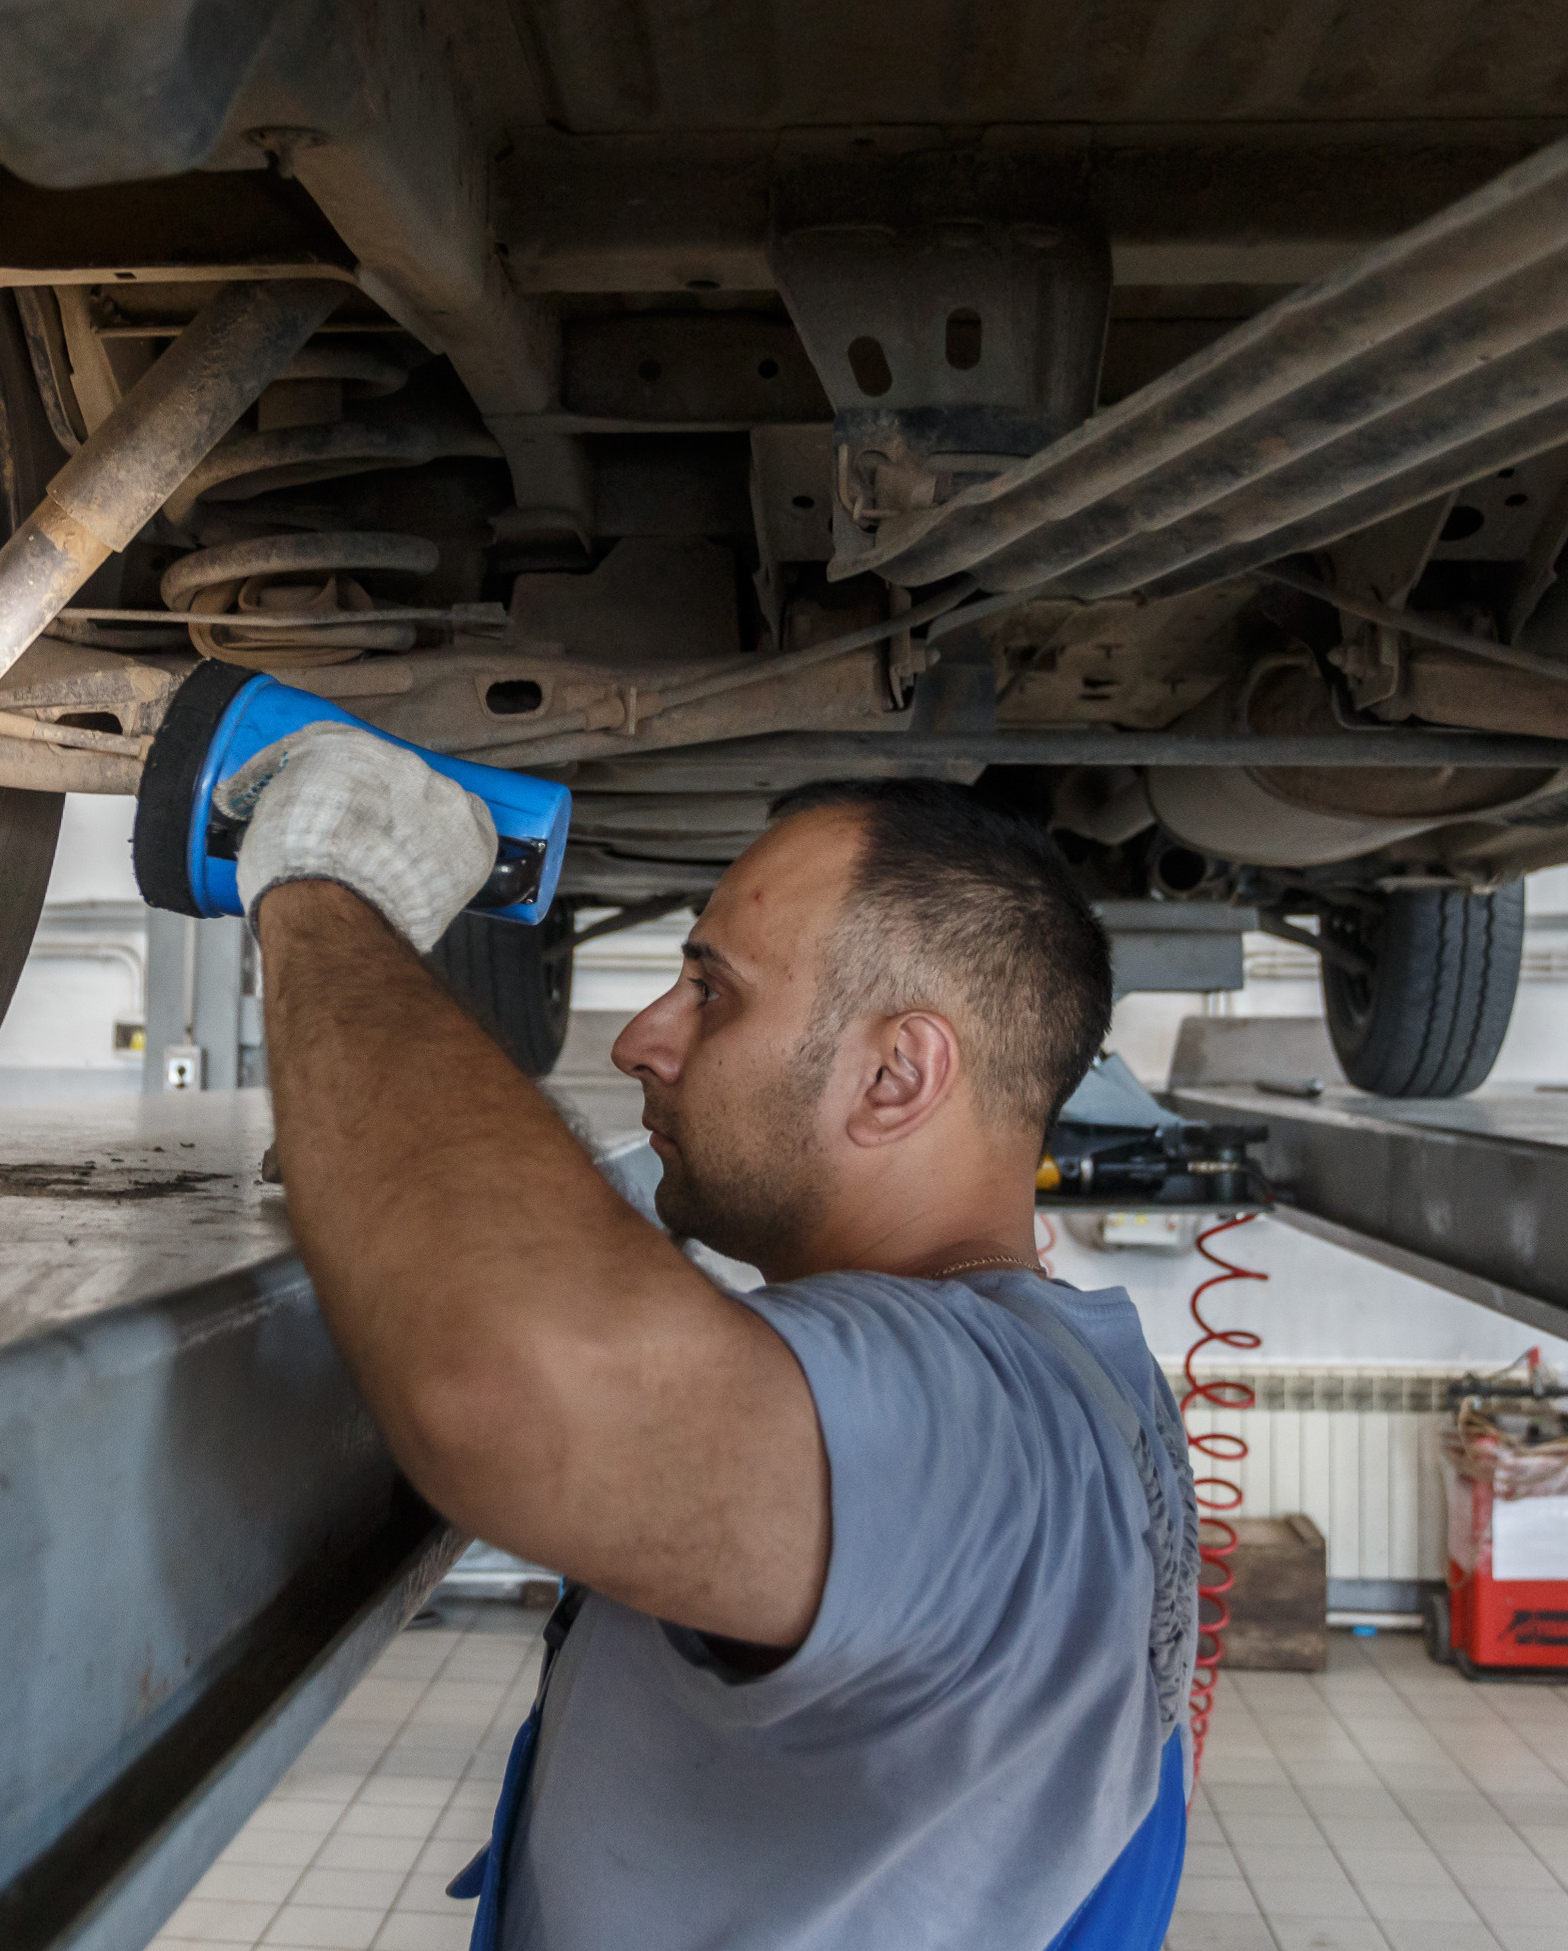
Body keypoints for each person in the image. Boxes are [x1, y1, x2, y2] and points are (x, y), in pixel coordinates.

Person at [225, 723, 1198, 1951]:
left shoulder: (977, 1422)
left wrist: (324, 894)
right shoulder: (1072, 1381)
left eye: (710, 991)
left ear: (899, 1075)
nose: (643, 1038)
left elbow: (524, 1384)